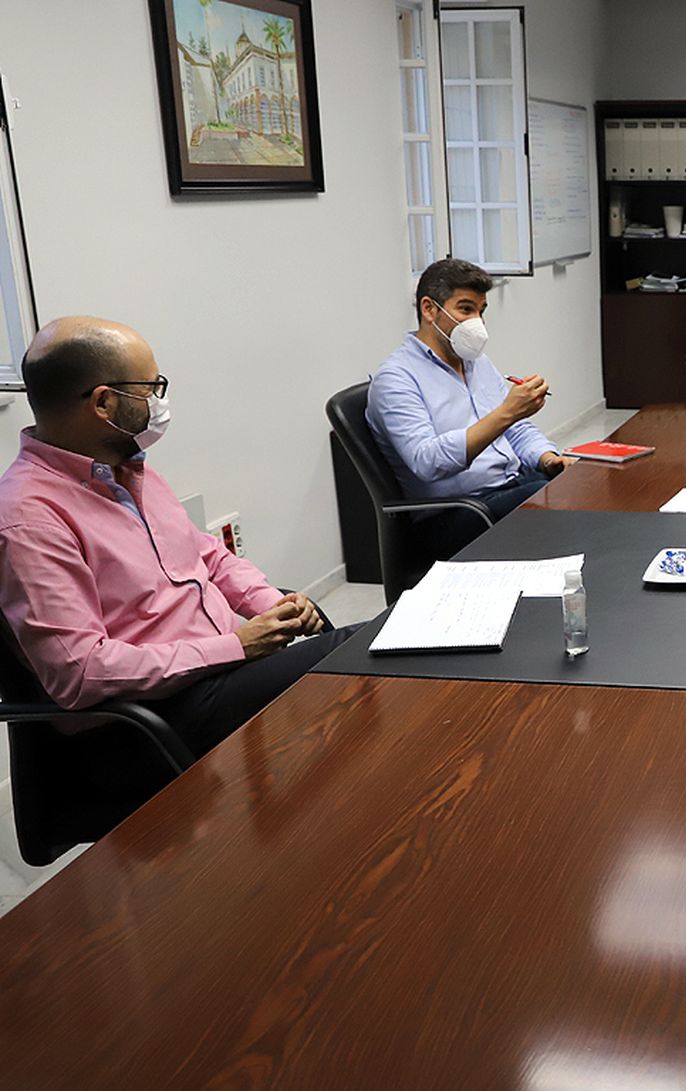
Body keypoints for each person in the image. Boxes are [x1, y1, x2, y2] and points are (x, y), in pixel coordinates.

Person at [0, 317, 357, 772]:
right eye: (151, 388)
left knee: (364, 660)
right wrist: (237, 646)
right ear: (104, 402)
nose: (159, 402)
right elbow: (82, 673)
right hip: (149, 720)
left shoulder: (127, 469)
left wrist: (272, 603)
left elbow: (207, 555)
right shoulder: (29, 518)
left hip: (218, 674)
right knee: (355, 652)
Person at [367, 258, 575, 557]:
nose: (477, 322)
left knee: (578, 484)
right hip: (457, 512)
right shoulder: (396, 379)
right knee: (557, 507)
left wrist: (547, 458)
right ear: (429, 309)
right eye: (466, 309)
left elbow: (516, 429)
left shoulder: (476, 362)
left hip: (510, 486)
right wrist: (507, 412)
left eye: (481, 311)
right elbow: (427, 461)